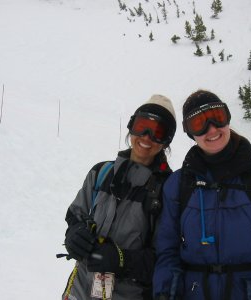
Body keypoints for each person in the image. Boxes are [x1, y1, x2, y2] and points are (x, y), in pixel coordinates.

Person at [153, 90, 251, 300]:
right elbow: (167, 249)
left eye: (217, 117)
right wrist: (165, 294)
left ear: (227, 118)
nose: (211, 129)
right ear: (190, 133)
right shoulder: (179, 184)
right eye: (199, 123)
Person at [60, 95, 177, 300]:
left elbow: (167, 258)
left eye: (158, 132)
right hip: (78, 291)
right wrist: (75, 234)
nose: (147, 137)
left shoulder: (168, 190)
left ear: (166, 140)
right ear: (132, 126)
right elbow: (75, 214)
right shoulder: (101, 173)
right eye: (142, 126)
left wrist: (122, 260)